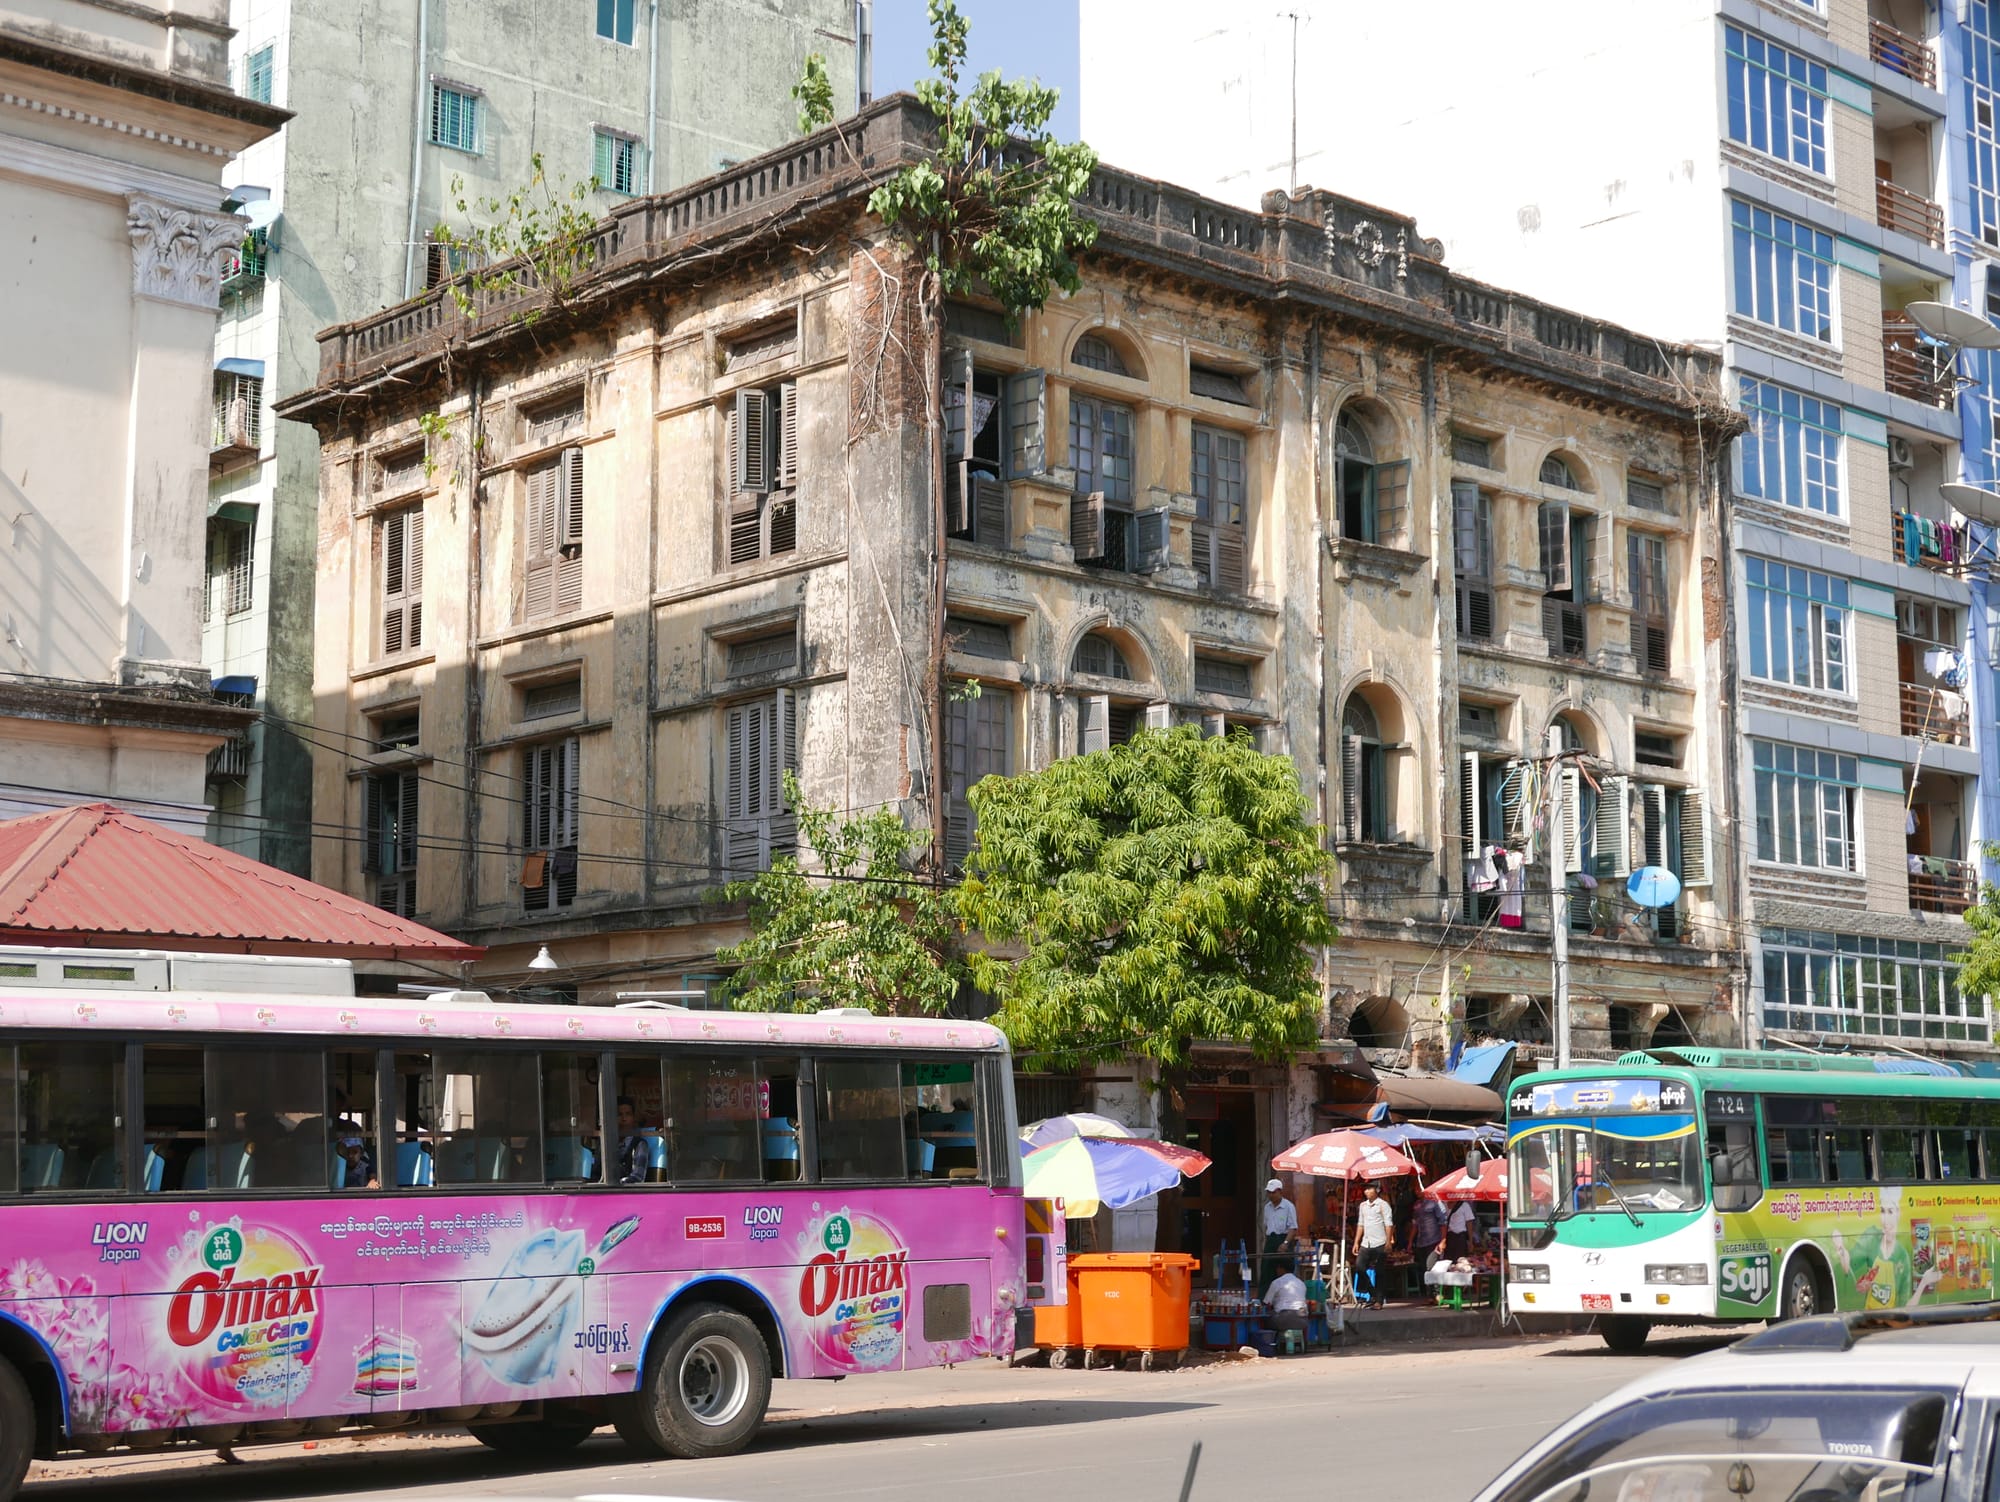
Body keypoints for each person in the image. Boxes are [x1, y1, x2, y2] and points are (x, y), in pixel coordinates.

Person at [1352, 1180, 1394, 1304]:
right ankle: (1372, 1293)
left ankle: (1379, 1301)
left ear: (1377, 1190)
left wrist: (1388, 1242)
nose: (1367, 1192)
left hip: (1380, 1242)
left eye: (1370, 1189)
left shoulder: (1383, 1205)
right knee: (1360, 1267)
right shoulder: (1363, 1206)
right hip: (1366, 1242)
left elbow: (1389, 1224)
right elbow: (1361, 1224)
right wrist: (1356, 1242)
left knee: (1379, 1272)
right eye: (1366, 1189)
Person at [1262, 1178, 1299, 1279]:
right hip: (1271, 1240)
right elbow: (1266, 1227)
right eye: (1269, 1193)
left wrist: (1285, 1243)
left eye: (1273, 1192)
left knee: (1283, 1271)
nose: (1271, 1195)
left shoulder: (1288, 1206)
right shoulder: (1267, 1207)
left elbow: (1293, 1227)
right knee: (1267, 1270)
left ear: (1280, 1192)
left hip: (1283, 1239)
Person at [615, 1096, 651, 1183]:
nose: (624, 1119)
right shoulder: (606, 1143)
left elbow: (637, 1178)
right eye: (620, 1115)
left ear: (634, 1118)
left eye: (628, 1114)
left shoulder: (639, 1145)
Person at [1265, 1266, 1309, 1334]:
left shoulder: (1277, 1282)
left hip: (1284, 1320)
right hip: (1303, 1322)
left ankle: (1273, 1342)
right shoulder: (1301, 1283)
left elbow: (1267, 1302)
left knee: (1266, 1319)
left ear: (1281, 1268)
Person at [1411, 1190, 1448, 1269]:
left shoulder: (1435, 1201)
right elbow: (1415, 1224)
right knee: (1423, 1269)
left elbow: (1443, 1222)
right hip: (1421, 1242)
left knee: (1432, 1267)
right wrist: (1410, 1242)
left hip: (1433, 1241)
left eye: (1418, 1188)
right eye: (1415, 1188)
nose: (1416, 1191)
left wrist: (1443, 1241)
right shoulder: (1417, 1205)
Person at [1444, 1196, 1479, 1261]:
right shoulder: (1444, 1205)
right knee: (1448, 1260)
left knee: (1460, 1260)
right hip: (1449, 1237)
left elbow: (1469, 1224)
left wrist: (1471, 1242)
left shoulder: (1464, 1205)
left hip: (1460, 1237)